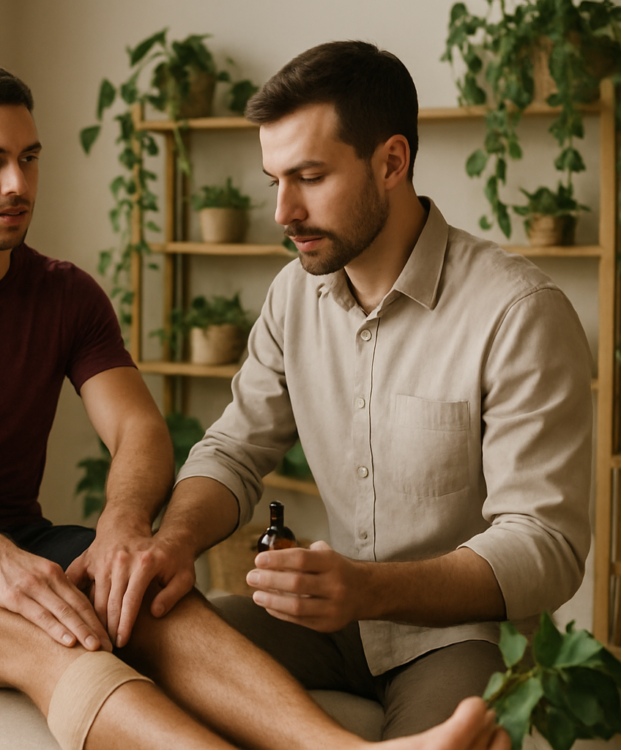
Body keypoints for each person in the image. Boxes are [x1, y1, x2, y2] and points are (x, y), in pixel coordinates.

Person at [0, 57, 509, 750]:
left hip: (23, 541)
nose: (18, 182)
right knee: (55, 639)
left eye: (30, 157)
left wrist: (124, 527)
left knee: (154, 604)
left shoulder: (65, 295)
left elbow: (137, 428)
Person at [102, 40, 591, 741]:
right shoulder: (291, 296)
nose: (282, 211)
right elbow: (235, 449)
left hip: (459, 636)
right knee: (133, 630)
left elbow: (546, 544)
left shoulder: (518, 313)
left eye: (308, 176)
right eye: (275, 179)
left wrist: (367, 588)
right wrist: (172, 542)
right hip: (329, 629)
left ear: (391, 162)